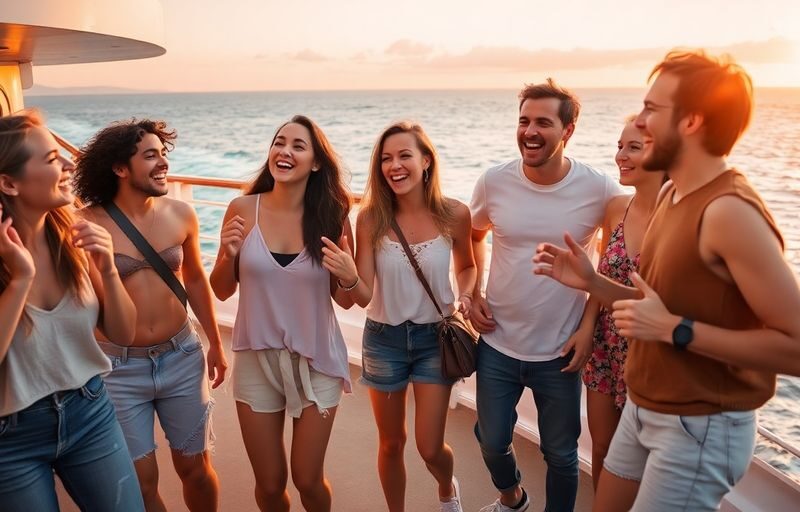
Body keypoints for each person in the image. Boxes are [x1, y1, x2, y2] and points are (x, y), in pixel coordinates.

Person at [534, 50, 800, 512]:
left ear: (692, 121)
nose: (640, 122)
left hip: (698, 427)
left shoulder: (729, 211)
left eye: (652, 109)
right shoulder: (675, 194)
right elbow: (651, 305)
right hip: (644, 405)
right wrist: (590, 282)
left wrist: (677, 330)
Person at [469, 79, 624, 512]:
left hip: (561, 351)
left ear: (568, 131)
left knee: (561, 454)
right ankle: (513, 497)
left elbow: (608, 265)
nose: (530, 131)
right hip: (497, 342)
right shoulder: (494, 181)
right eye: (523, 121)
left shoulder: (600, 189)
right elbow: (473, 233)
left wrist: (589, 327)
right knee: (492, 439)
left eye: (543, 122)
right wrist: (473, 289)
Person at [73, 119, 227, 512]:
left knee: (195, 468)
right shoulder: (86, 224)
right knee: (140, 483)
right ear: (120, 169)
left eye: (163, 154)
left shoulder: (181, 213)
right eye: (151, 156)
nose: (163, 164)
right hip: (118, 369)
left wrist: (215, 342)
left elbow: (194, 278)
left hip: (182, 357)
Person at [325, 121, 476, 512]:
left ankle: (446, 487)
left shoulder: (455, 214)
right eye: (386, 158)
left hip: (434, 341)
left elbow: (467, 266)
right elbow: (362, 295)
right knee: (391, 443)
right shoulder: (371, 218)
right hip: (384, 340)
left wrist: (466, 296)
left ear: (426, 160)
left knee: (429, 446)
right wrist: (345, 275)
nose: (395, 165)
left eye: (404, 155)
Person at [0, 111, 144, 511]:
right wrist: (20, 279)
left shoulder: (74, 235)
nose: (68, 164)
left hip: (89, 412)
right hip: (10, 437)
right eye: (51, 159)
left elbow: (123, 334)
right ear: (9, 183)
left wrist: (108, 268)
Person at [210, 115, 353, 512]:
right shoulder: (241, 208)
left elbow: (346, 299)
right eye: (279, 142)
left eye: (297, 146)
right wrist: (228, 254)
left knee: (307, 479)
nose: (284, 151)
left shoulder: (332, 215)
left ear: (316, 162)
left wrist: (349, 276)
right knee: (270, 484)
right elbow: (221, 289)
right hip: (256, 360)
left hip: (317, 360)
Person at [570, 116, 666, 489]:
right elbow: (600, 277)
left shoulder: (677, 218)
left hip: (651, 352)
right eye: (619, 146)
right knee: (603, 446)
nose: (620, 157)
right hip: (606, 344)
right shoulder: (616, 209)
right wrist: (587, 327)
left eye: (633, 148)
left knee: (644, 458)